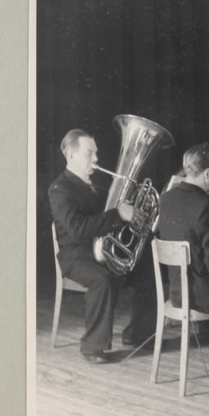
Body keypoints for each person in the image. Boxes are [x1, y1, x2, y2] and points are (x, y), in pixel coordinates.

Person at [48, 129, 156, 363]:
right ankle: (92, 347)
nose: (96, 159)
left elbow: (107, 220)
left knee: (148, 269)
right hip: (76, 256)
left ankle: (137, 332)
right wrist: (118, 214)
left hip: (99, 250)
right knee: (102, 279)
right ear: (71, 155)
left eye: (95, 153)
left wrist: (128, 211)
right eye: (89, 153)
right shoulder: (60, 189)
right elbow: (78, 229)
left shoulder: (95, 186)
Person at [157, 143, 209, 313]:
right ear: (207, 173)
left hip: (178, 294)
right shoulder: (208, 206)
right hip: (205, 299)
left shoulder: (167, 198)